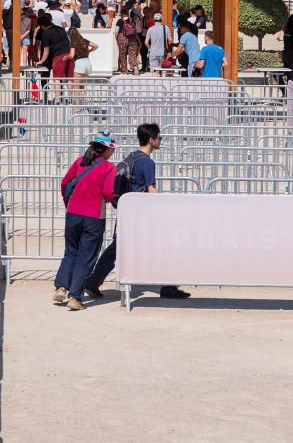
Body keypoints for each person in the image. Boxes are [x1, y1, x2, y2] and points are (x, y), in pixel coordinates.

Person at [86, 124, 190, 301]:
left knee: (116, 249)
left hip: (128, 213)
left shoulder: (131, 157)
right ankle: (168, 287)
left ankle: (93, 282)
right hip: (143, 216)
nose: (160, 141)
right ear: (151, 139)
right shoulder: (147, 162)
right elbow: (151, 190)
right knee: (165, 247)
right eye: (159, 138)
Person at [52, 132, 118, 311]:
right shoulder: (109, 167)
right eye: (112, 149)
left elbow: (65, 182)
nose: (112, 152)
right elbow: (107, 193)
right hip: (93, 217)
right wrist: (116, 200)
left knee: (70, 252)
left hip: (73, 213)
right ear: (106, 149)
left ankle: (61, 287)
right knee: (86, 258)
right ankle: (75, 296)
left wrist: (69, 204)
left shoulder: (80, 161)